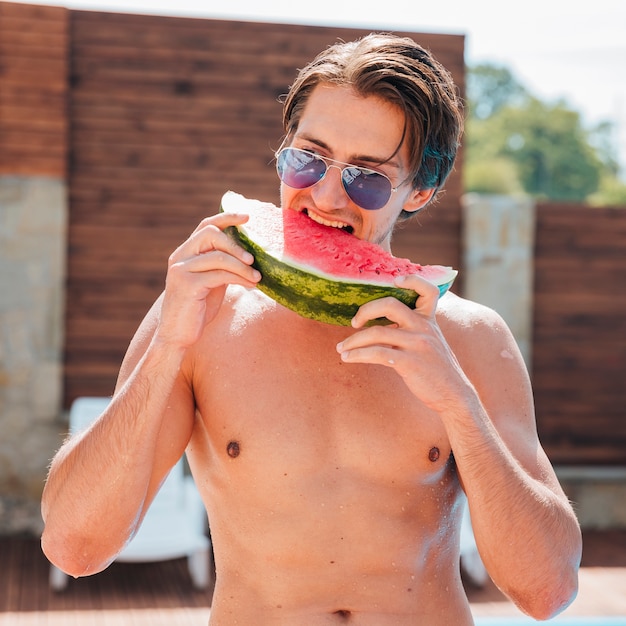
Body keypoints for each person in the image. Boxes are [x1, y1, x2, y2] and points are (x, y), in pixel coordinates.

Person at [41, 33, 582, 624]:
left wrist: (458, 405)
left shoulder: (473, 339)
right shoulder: (201, 319)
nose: (324, 197)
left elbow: (547, 591)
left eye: (368, 178)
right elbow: (74, 548)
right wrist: (168, 348)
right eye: (307, 159)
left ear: (420, 191)